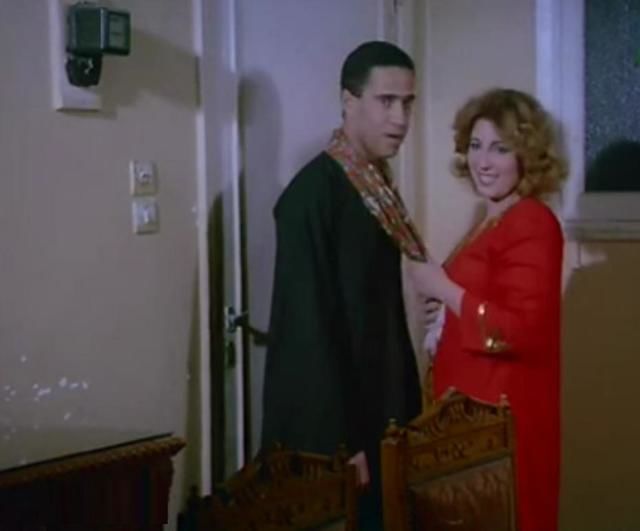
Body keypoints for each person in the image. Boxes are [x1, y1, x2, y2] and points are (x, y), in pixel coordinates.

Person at [261, 41, 423, 528]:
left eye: (408, 103)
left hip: (382, 410)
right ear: (348, 101)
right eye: (386, 101)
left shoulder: (375, 188)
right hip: (336, 429)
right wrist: (338, 447)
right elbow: (306, 334)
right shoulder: (311, 197)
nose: (400, 119)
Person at [408, 87, 566, 531]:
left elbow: (520, 330)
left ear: (526, 156)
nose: (483, 161)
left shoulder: (532, 221)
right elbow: (485, 302)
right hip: (470, 419)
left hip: (501, 421)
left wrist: (445, 289)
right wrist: (443, 314)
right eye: (476, 145)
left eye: (500, 148)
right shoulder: (493, 219)